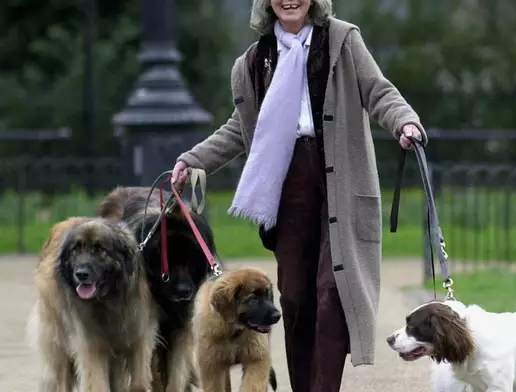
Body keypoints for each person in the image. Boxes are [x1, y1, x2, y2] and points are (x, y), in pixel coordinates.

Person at [171, 0, 425, 391]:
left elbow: (377, 90)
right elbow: (242, 128)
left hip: (342, 181)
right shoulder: (253, 62)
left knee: (333, 291)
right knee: (294, 300)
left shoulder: (342, 40)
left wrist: (404, 121)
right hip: (287, 187)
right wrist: (193, 160)